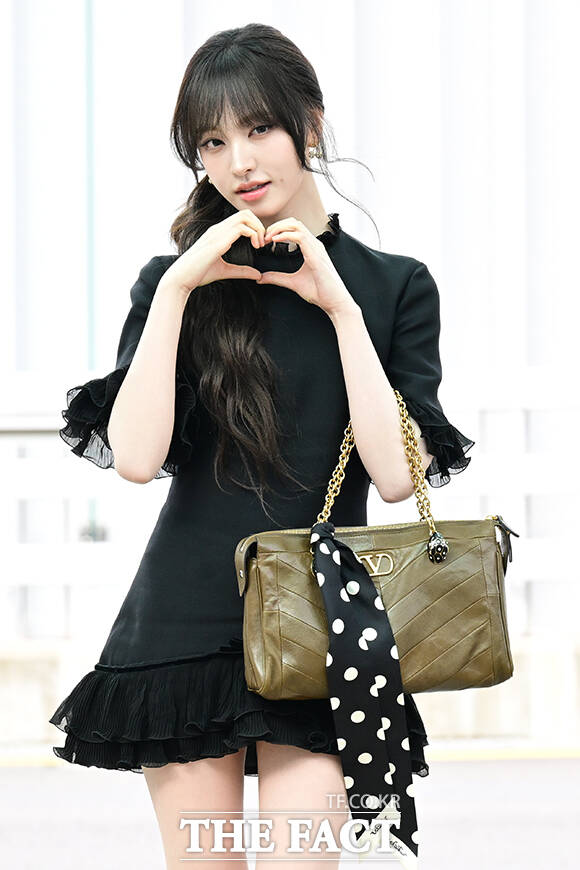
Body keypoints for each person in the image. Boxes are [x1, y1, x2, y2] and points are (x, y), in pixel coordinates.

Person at [49, 22, 475, 870]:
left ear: (309, 126)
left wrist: (339, 306)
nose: (238, 160)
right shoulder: (177, 284)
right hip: (182, 625)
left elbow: (397, 477)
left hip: (324, 624)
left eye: (259, 128)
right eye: (213, 142)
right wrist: (178, 286)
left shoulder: (393, 286)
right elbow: (135, 459)